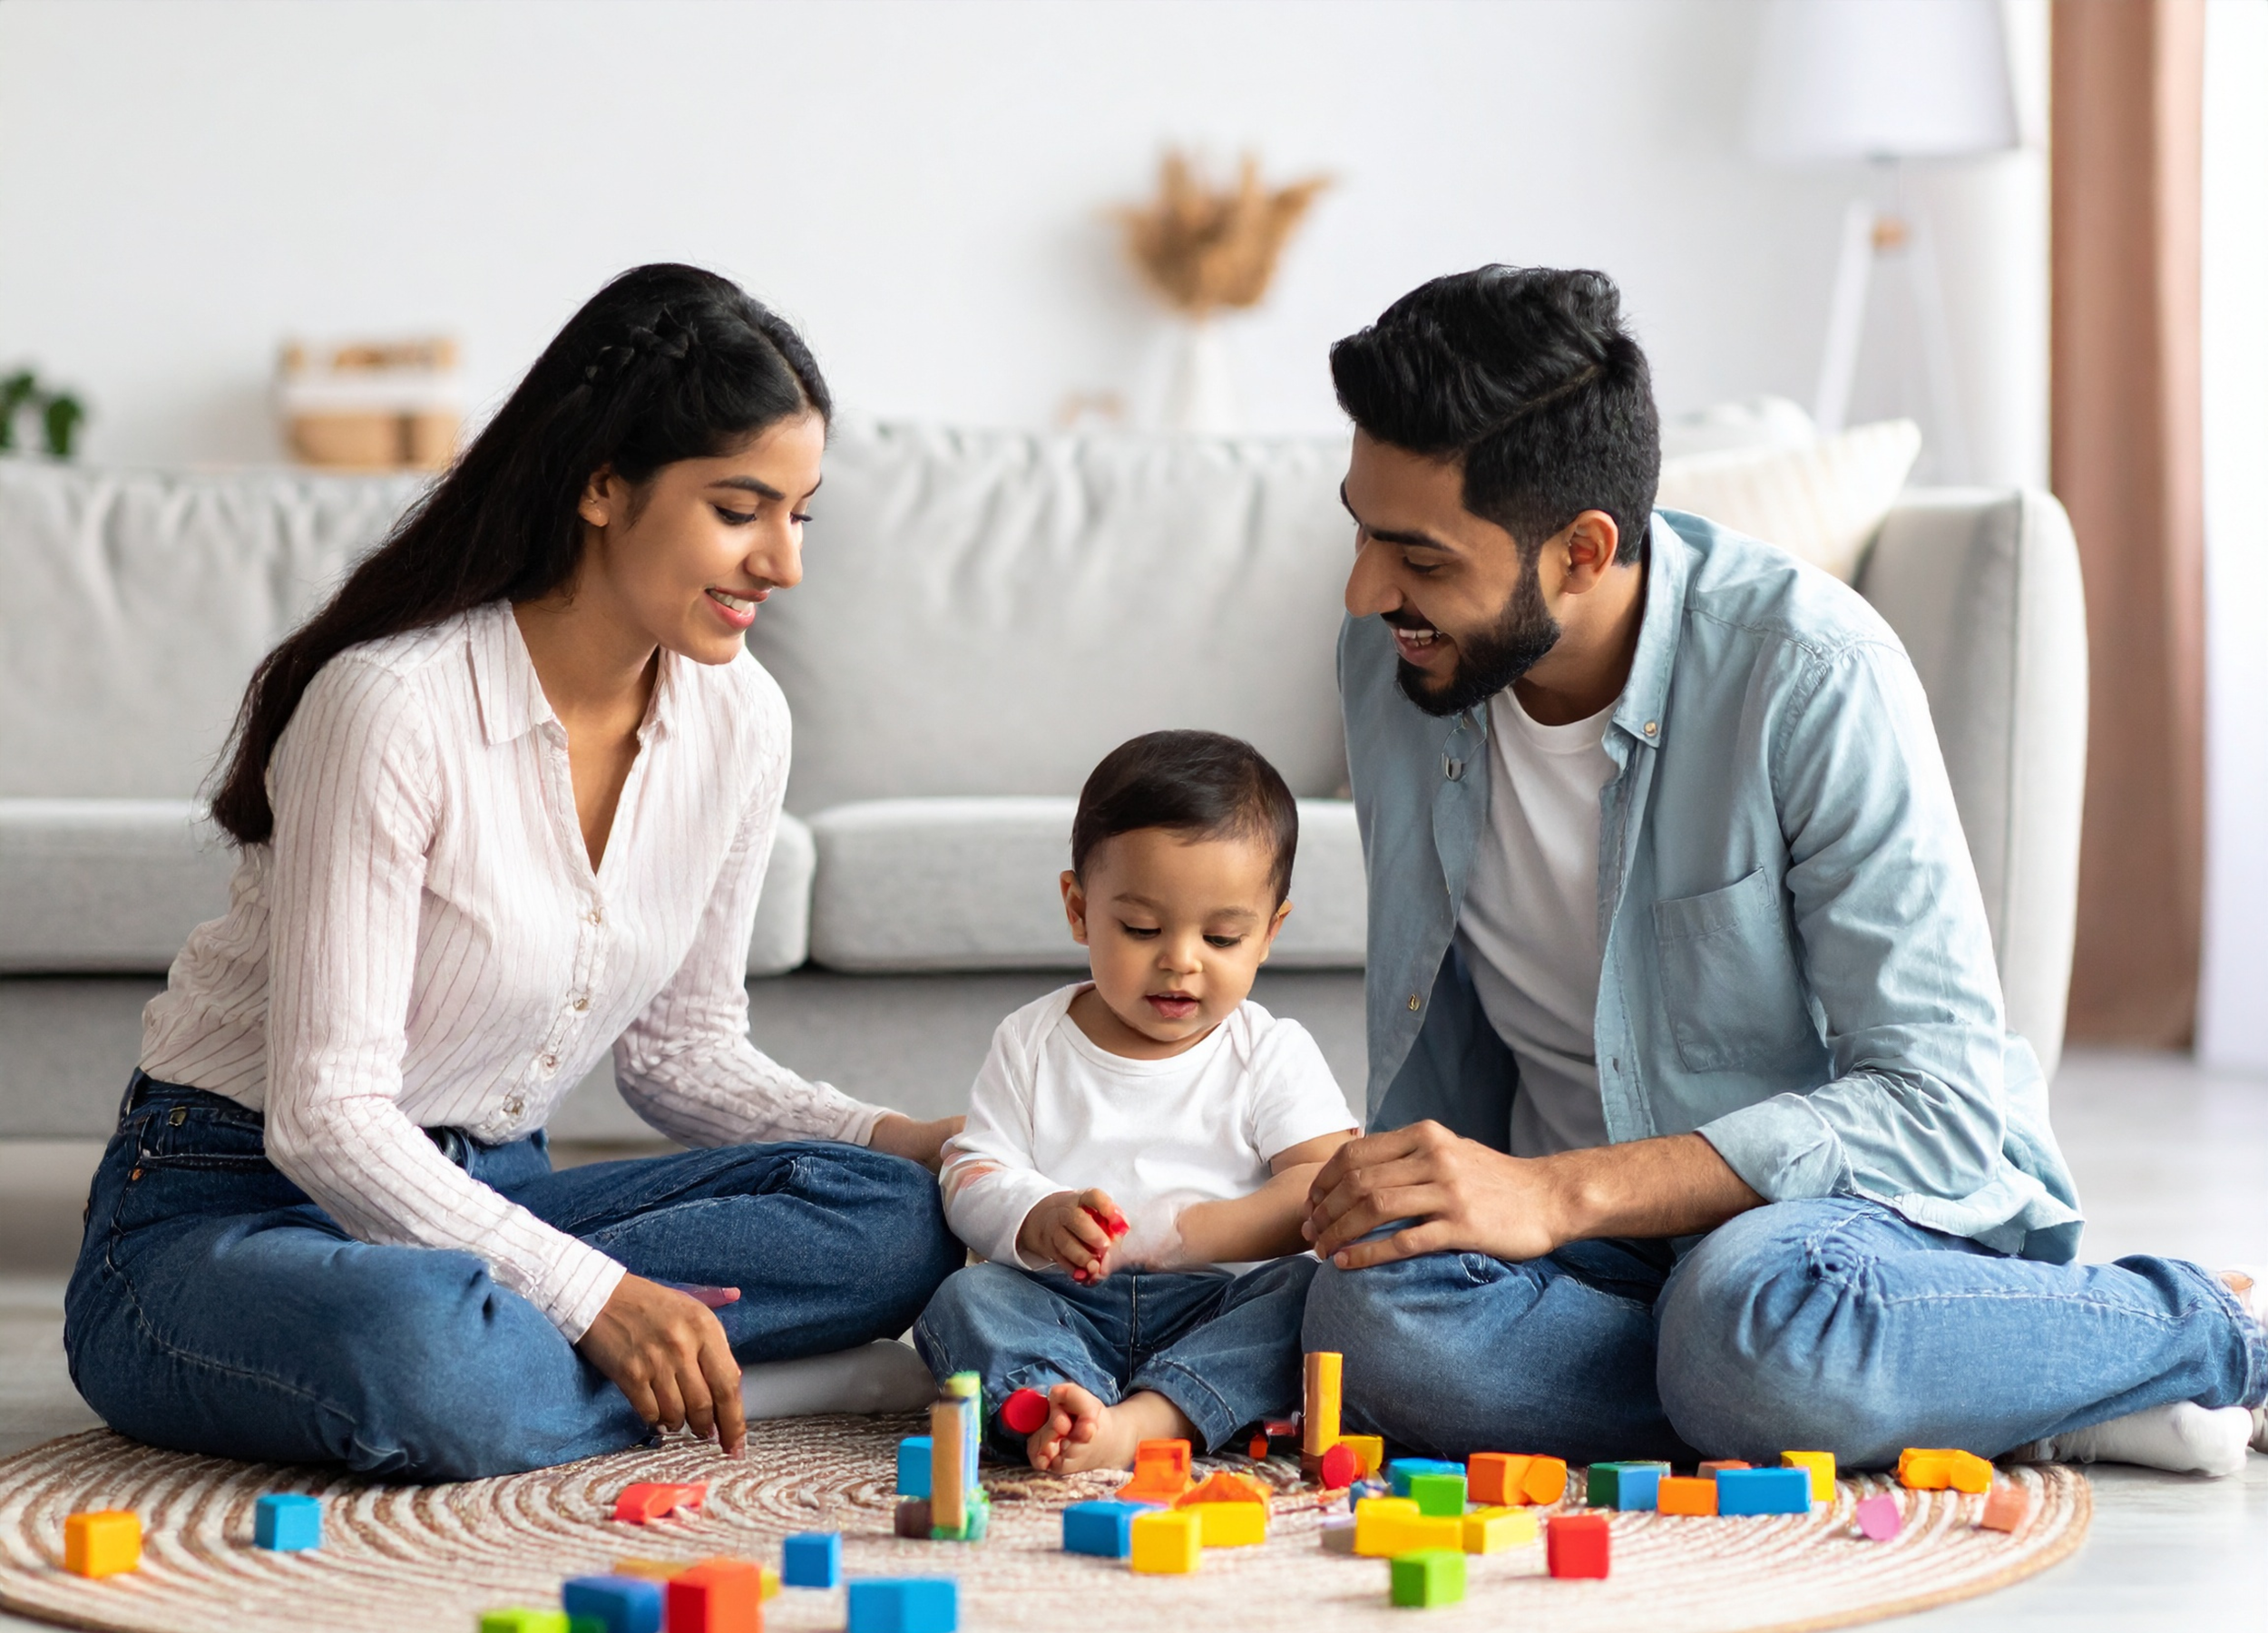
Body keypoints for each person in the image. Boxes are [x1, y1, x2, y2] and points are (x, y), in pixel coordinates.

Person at [1298, 266, 2267, 1477]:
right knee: (1366, 1329)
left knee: (1749, 1323)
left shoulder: (1811, 672)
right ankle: (1950, 1387)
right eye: (1361, 528)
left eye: (1419, 558)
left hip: (1823, 1239)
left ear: (1583, 552)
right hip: (1597, 1267)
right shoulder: (1395, 661)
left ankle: (2202, 1324)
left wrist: (1564, 1195)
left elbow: (1941, 1108)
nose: (1364, 590)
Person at [63, 264, 964, 1481]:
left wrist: (913, 1139)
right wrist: (597, 1298)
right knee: (431, 1359)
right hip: (232, 1211)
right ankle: (778, 1380)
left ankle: (603, 1359)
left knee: (900, 1217)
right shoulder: (391, 706)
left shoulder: (741, 718)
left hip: (494, 1205)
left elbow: (679, 1052)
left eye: (800, 515)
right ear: (603, 484)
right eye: (740, 510)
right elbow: (325, 1122)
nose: (782, 565)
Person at [915, 731, 1358, 1471]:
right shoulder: (1032, 1040)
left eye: (1221, 937)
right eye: (1141, 928)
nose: (1180, 960)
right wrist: (1038, 1215)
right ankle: (1059, 1404)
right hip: (1061, 1304)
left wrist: (1191, 1235)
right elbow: (971, 1170)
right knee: (966, 1298)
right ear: (1080, 909)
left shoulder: (1269, 1051)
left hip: (1213, 1304)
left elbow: (1322, 1181)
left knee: (1312, 1293)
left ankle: (1153, 1419)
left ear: (1270, 933)